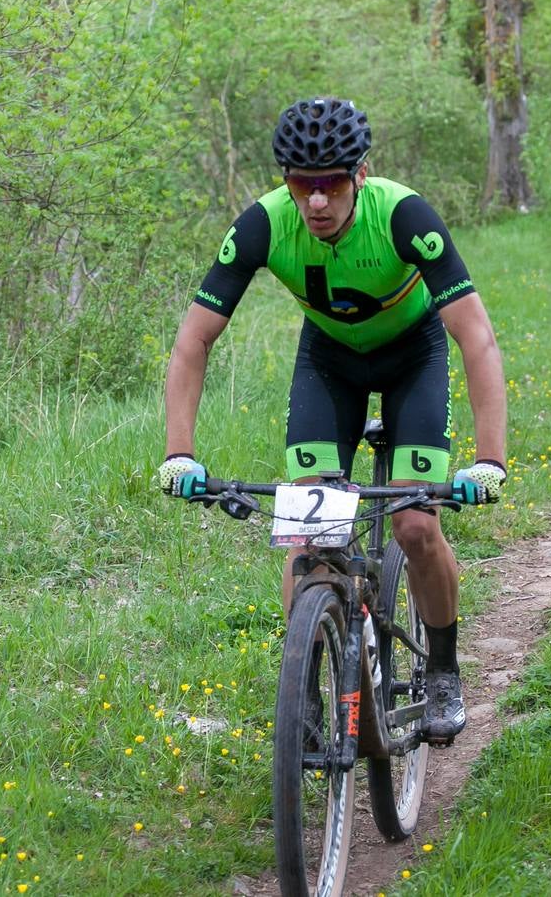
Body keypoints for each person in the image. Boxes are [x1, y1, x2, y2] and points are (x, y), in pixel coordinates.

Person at [157, 97, 509, 744]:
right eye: (300, 184)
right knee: (310, 534)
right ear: (284, 180)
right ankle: (307, 694)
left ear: (360, 175)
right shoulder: (263, 224)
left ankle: (441, 669)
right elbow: (193, 341)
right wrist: (180, 452)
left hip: (413, 360)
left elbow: (476, 338)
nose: (316, 202)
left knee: (413, 524)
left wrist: (489, 459)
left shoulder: (403, 216)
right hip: (328, 364)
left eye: (331, 185)